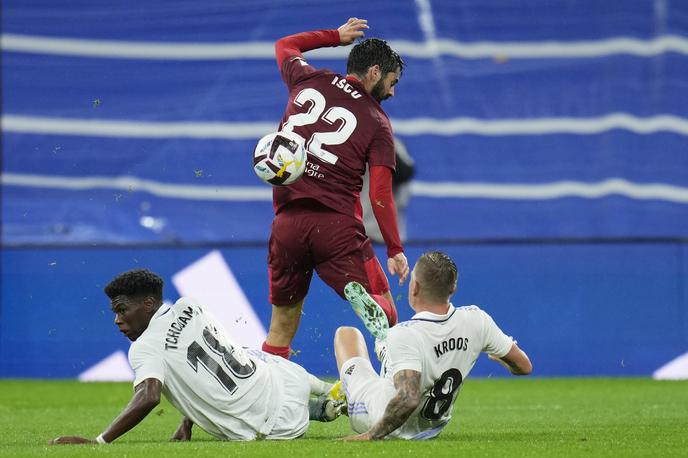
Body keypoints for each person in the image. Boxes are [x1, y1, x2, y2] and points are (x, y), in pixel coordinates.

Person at [49, 269, 341, 445]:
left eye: (122, 309)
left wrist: (99, 441)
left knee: (250, 388)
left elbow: (149, 397)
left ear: (148, 304)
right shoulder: (191, 305)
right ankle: (334, 395)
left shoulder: (144, 347)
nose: (117, 320)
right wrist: (188, 419)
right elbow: (203, 367)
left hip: (275, 424)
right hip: (283, 378)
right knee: (250, 353)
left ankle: (320, 410)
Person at [262, 17, 410, 360]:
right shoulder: (378, 124)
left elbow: (285, 44)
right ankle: (390, 388)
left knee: (281, 328)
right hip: (336, 227)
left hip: (286, 224)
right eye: (391, 82)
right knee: (386, 312)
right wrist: (394, 249)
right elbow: (380, 195)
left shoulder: (308, 78)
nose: (392, 92)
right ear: (374, 72)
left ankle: (267, 401)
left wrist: (334, 36)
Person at [334, 251, 533, 440]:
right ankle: (385, 352)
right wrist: (502, 360)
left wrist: (370, 435)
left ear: (415, 287)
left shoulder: (404, 333)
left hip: (382, 420)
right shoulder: (478, 320)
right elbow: (524, 366)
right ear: (453, 289)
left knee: (347, 334)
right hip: (431, 428)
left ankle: (337, 397)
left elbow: (408, 399)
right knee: (394, 352)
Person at [362, 136, 415, 244]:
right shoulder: (347, 142)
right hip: (358, 231)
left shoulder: (390, 142)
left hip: (383, 234)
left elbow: (404, 174)